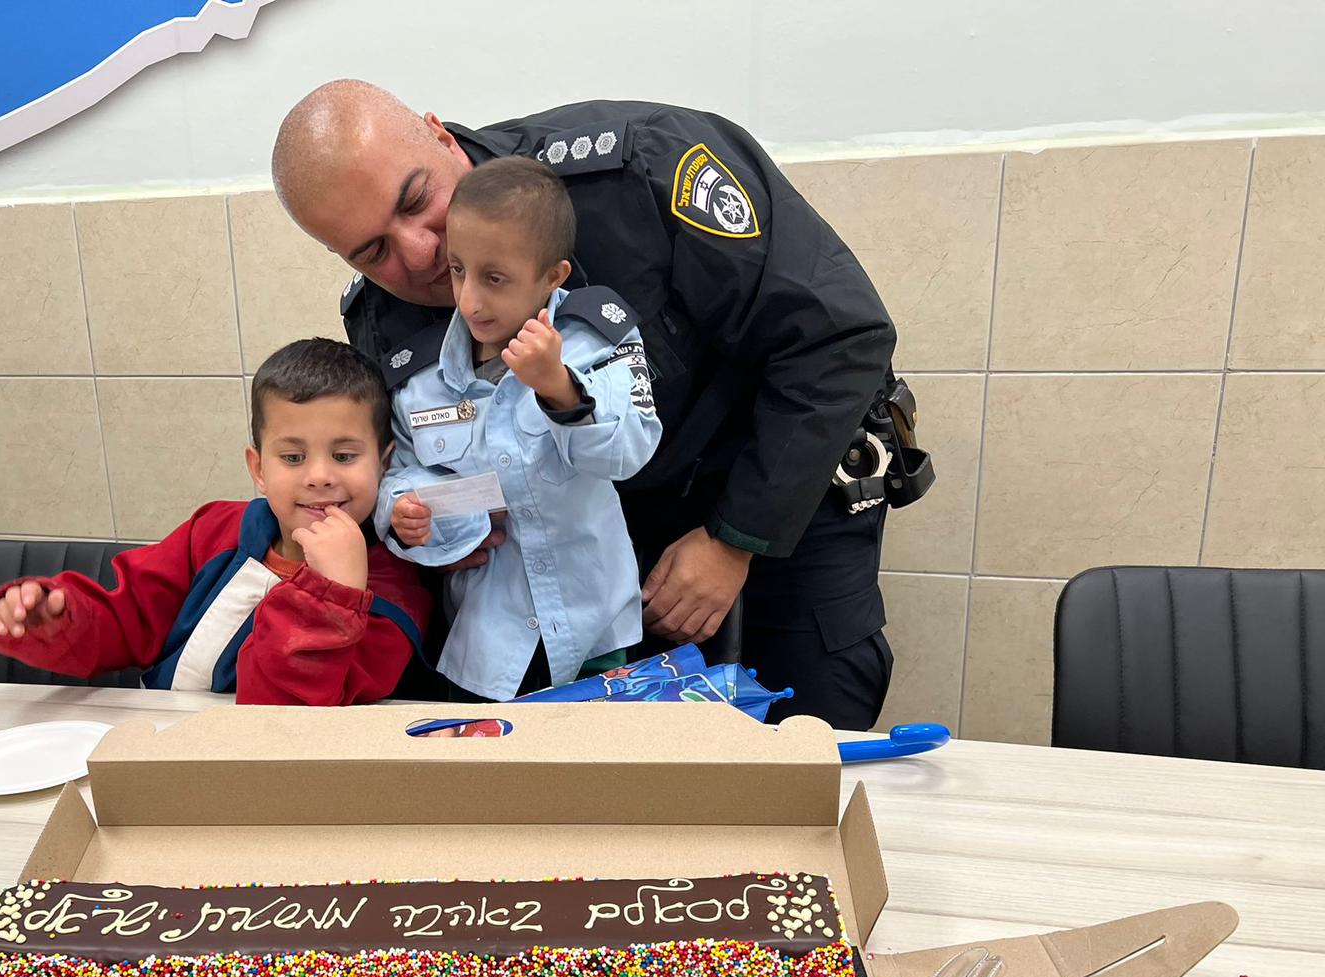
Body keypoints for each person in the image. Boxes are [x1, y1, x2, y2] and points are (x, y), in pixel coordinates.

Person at [272, 81, 904, 729]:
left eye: (415, 200)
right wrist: (435, 532)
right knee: (616, 766)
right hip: (597, 566)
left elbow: (837, 337)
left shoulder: (638, 171)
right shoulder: (382, 319)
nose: (420, 253)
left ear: (440, 135)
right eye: (373, 251)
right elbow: (407, 471)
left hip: (776, 496)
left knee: (806, 735)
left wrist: (732, 541)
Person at [0, 338, 430, 704]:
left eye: (344, 456)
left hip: (264, 773)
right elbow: (128, 617)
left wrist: (332, 596)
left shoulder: (394, 593)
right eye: (293, 457)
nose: (319, 477)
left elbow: (281, 721)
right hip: (160, 745)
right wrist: (57, 621)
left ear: (384, 465)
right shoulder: (215, 531)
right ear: (258, 469)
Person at [375, 157, 661, 700]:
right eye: (458, 270)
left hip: (594, 629)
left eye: (494, 278)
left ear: (553, 276)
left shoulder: (597, 342)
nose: (470, 300)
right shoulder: (419, 382)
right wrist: (403, 514)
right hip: (486, 644)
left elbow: (630, 452)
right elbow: (400, 476)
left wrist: (560, 389)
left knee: (597, 755)